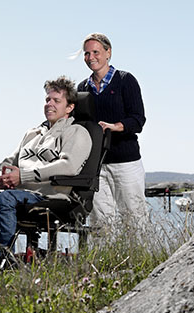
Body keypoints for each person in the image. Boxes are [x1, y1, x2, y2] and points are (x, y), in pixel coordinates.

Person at [0, 76, 92, 268]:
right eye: (47, 100)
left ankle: (6, 257)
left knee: (6, 198)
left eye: (56, 100)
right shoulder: (33, 134)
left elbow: (68, 167)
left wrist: (23, 176)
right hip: (19, 194)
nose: (49, 104)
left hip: (51, 196)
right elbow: (10, 160)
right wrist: (0, 176)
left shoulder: (78, 133)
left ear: (69, 107)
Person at [77, 33, 147, 227]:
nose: (90, 58)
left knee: (134, 220)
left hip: (126, 162)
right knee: (100, 223)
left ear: (108, 52)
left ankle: (138, 257)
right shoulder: (82, 88)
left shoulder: (125, 80)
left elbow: (138, 120)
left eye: (96, 52)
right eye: (86, 53)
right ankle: (105, 258)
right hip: (95, 165)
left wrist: (113, 127)